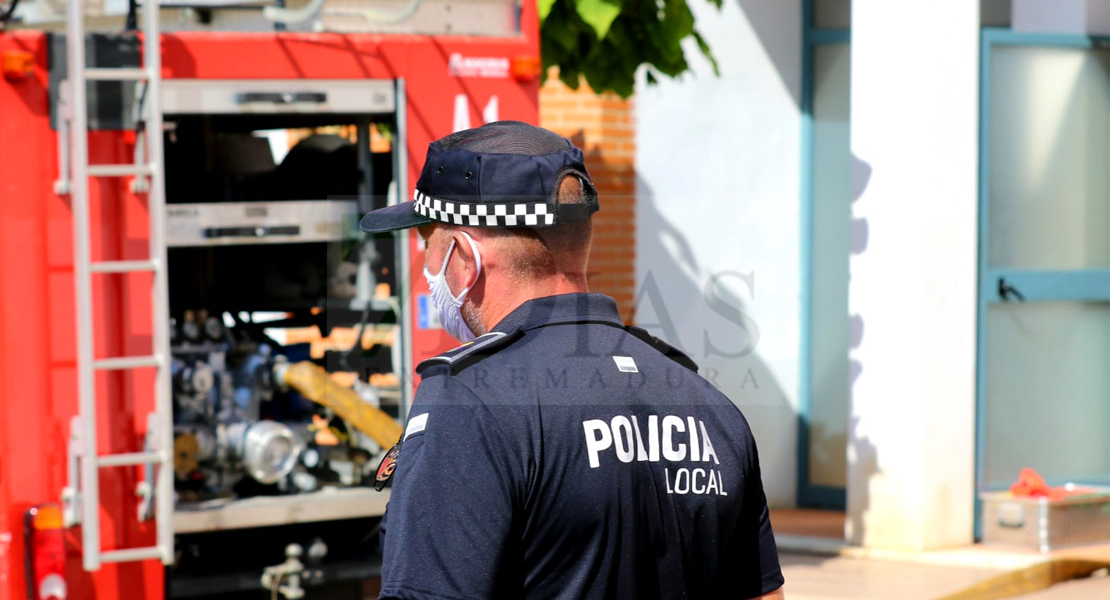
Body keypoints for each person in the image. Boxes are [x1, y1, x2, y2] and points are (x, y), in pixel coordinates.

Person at [360, 121, 785, 600]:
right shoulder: (707, 404)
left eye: (427, 243)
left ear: (462, 255)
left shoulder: (468, 402)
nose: (426, 266)